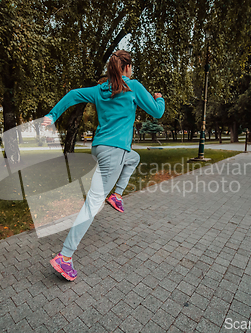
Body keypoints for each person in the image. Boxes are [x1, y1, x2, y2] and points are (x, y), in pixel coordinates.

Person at [41, 50, 165, 281]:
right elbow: (157, 112)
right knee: (92, 203)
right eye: (132, 67)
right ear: (127, 68)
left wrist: (53, 114)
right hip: (114, 151)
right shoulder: (133, 87)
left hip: (100, 149)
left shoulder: (101, 89)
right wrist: (159, 97)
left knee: (134, 158)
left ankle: (116, 195)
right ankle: (65, 257)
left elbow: (73, 95)